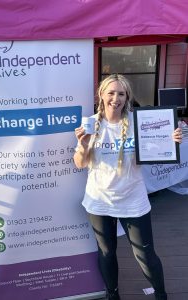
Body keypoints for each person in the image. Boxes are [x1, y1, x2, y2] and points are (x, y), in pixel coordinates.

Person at [73, 74, 182, 300]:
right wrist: (83, 146)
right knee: (106, 251)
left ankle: (161, 295)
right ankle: (113, 295)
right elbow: (80, 163)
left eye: (121, 93)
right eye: (111, 93)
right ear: (101, 95)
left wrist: (170, 140)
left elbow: (156, 150)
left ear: (127, 97)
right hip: (99, 201)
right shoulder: (91, 124)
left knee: (145, 252)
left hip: (134, 199)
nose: (116, 98)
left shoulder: (138, 122)